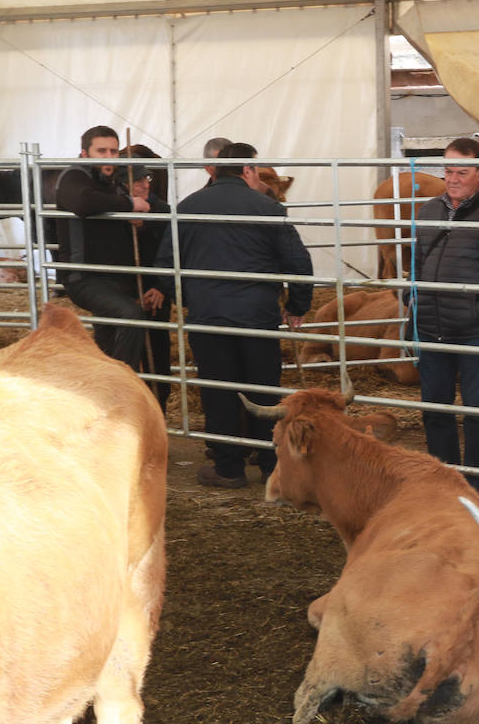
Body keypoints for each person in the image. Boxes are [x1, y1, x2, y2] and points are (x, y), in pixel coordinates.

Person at [143, 142, 313, 488]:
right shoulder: (268, 209)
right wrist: (297, 305)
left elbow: (163, 267)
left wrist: (190, 297)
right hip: (258, 317)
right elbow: (298, 263)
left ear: (216, 170)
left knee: (218, 392)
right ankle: (271, 466)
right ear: (248, 170)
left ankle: (229, 468)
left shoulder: (188, 208)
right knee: (264, 392)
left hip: (209, 318)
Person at [408, 137, 479, 500]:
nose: (452, 179)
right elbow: (418, 264)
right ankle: (443, 482)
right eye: (448, 170)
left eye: (462, 172)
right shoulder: (427, 212)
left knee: (478, 411)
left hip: (474, 333)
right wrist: (414, 303)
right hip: (432, 327)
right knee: (435, 409)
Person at [56, 125, 159, 370]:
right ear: (84, 153)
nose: (109, 157)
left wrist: (134, 221)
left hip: (115, 277)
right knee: (130, 316)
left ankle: (102, 383)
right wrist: (129, 204)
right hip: (85, 277)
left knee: (108, 334)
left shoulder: (110, 182)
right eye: (101, 151)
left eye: (113, 151)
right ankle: (121, 382)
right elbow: (83, 202)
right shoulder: (74, 177)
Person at [122, 144, 173, 411]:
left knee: (157, 350)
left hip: (155, 292)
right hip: (122, 291)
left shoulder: (163, 210)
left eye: (146, 178)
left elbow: (172, 252)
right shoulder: (111, 210)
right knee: (124, 350)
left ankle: (159, 409)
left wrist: (162, 287)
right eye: (136, 180)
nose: (144, 185)